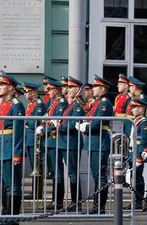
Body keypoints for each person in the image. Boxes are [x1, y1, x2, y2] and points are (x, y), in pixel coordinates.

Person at [78, 74, 113, 214]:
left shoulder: (104, 103)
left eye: (96, 87)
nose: (93, 90)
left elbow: (99, 121)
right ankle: (96, 205)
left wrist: (86, 127)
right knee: (96, 175)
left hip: (100, 142)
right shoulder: (97, 102)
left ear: (103, 89)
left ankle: (100, 206)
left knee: (100, 175)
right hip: (93, 142)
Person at [0, 72, 25, 218]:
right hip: (3, 149)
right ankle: (6, 214)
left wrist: (17, 153)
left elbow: (18, 132)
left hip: (12, 149)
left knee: (13, 185)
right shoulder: (5, 104)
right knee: (6, 184)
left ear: (11, 88)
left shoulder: (16, 106)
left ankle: (13, 217)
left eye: (3, 85)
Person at [36, 78, 68, 210]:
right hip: (49, 140)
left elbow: (56, 122)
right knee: (54, 171)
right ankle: (54, 200)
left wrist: (44, 129)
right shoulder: (53, 102)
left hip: (55, 140)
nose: (47, 92)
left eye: (49, 89)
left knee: (57, 171)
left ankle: (58, 201)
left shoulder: (61, 103)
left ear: (55, 90)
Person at [55, 76, 85, 212]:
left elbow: (73, 124)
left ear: (77, 90)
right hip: (65, 142)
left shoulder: (77, 105)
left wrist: (60, 127)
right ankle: (74, 202)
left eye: (71, 87)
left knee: (73, 173)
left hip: (71, 142)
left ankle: (76, 202)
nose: (68, 90)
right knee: (71, 173)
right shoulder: (71, 104)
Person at [123, 98, 147, 210]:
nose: (132, 110)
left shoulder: (144, 122)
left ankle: (138, 201)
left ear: (141, 109)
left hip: (137, 154)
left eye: (134, 107)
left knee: (137, 178)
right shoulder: (135, 121)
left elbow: (143, 141)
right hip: (132, 153)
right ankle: (135, 201)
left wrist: (139, 156)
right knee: (133, 178)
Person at [22, 81, 46, 200]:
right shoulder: (30, 104)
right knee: (33, 166)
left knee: (36, 166)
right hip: (29, 138)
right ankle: (34, 191)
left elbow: (35, 122)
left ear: (32, 92)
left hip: (35, 138)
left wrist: (26, 120)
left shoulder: (39, 105)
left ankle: (37, 192)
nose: (25, 94)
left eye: (26, 92)